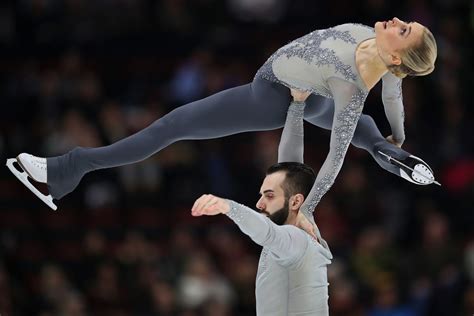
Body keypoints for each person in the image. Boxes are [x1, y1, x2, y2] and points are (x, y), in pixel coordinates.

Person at [7, 18, 439, 210]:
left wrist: (305, 211)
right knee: (365, 128)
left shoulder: (353, 86)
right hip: (314, 94)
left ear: (398, 57)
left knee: (173, 126)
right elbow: (394, 94)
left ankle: (69, 167)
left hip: (273, 95)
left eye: (405, 31)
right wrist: (398, 136)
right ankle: (390, 153)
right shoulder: (377, 51)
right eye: (405, 23)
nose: (398, 21)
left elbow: (333, 159)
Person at [192, 91, 332, 315]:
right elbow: (291, 163)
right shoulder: (300, 218)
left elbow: (266, 232)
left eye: (269, 195)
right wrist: (296, 107)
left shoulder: (297, 240)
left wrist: (228, 207)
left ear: (295, 201)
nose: (259, 203)